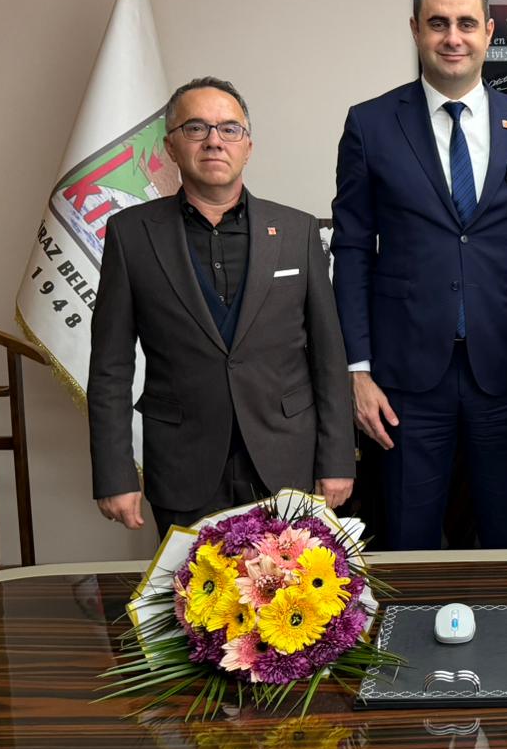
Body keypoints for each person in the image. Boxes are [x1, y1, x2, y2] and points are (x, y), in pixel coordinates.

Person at [332, 0, 507, 551]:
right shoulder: (370, 125)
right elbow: (353, 251)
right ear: (415, 30)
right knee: (406, 539)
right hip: (403, 380)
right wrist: (357, 371)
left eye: (465, 23)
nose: (452, 38)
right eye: (438, 24)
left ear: (489, 32)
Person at [88, 77, 354, 539]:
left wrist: (337, 460)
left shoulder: (297, 231)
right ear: (170, 147)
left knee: (288, 586)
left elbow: (328, 357)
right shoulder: (131, 235)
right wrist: (114, 473)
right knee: (191, 588)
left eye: (230, 129)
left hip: (286, 461)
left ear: (248, 146)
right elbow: (110, 365)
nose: (214, 140)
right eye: (196, 128)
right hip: (182, 464)